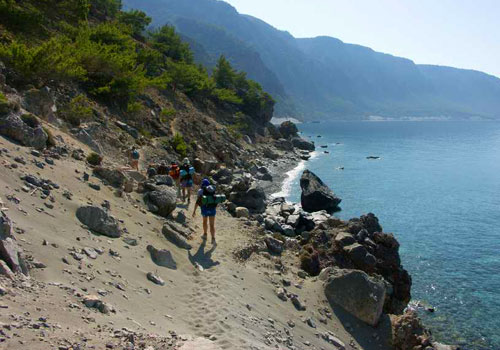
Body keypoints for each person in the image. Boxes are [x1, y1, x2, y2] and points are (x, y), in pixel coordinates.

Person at [192, 178, 218, 243]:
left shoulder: (200, 191)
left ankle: (205, 235)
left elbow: (198, 202)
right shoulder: (212, 190)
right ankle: (213, 239)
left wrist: (194, 211)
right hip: (212, 209)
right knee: (212, 225)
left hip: (204, 209)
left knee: (205, 221)